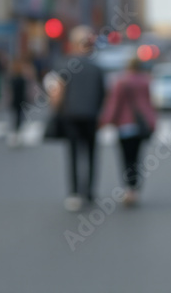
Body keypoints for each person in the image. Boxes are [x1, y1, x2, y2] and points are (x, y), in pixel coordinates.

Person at [47, 25, 107, 212]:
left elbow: (57, 92)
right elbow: (103, 94)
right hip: (91, 116)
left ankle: (74, 194)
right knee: (91, 155)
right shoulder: (97, 67)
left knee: (73, 154)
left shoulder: (63, 64)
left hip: (70, 116)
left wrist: (55, 111)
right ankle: (89, 192)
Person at [99, 57, 158, 207]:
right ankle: (135, 187)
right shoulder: (145, 81)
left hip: (125, 125)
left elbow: (114, 103)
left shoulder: (121, 81)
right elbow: (149, 103)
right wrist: (152, 121)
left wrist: (106, 120)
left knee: (126, 158)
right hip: (141, 124)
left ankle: (129, 189)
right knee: (137, 158)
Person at [6, 56, 29, 148]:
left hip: (16, 100)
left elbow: (10, 90)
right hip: (21, 100)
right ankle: (17, 135)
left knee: (16, 118)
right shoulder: (21, 78)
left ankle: (16, 135)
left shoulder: (13, 78)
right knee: (19, 118)